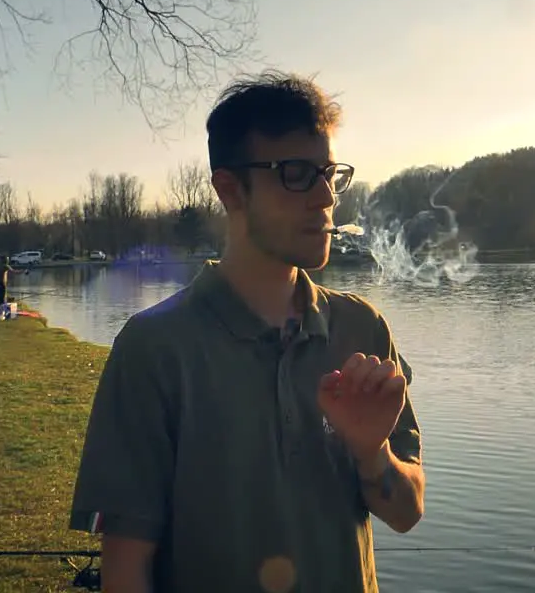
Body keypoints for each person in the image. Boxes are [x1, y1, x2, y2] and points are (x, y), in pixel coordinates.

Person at [69, 72, 424, 593]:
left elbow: (407, 513)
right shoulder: (155, 348)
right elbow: (126, 570)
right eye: (297, 174)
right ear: (230, 189)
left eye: (329, 173)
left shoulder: (362, 328)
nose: (325, 196)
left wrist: (371, 453)